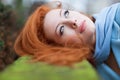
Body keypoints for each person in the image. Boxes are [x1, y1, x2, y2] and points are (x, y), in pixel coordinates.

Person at [14, 1, 120, 80]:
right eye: (62, 29)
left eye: (65, 13)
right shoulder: (97, 64)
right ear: (60, 49)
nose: (72, 21)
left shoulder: (117, 15)